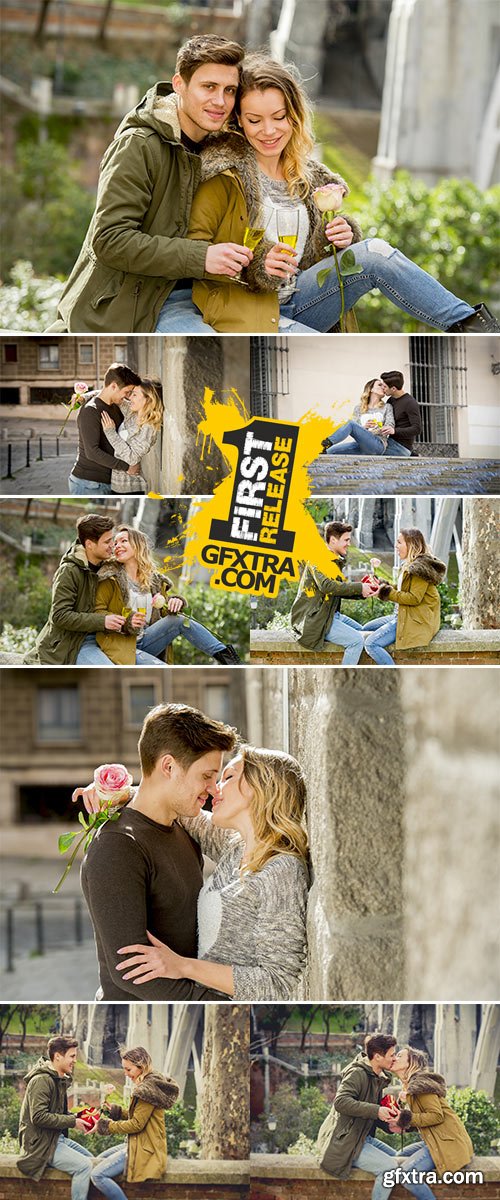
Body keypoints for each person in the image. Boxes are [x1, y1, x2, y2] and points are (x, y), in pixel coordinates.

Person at [178, 55, 499, 335]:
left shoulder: (309, 176)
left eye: (279, 117)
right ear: (239, 121)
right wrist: (258, 259)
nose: (269, 131)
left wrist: (334, 237)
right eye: (254, 120)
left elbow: (310, 259)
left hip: (302, 299)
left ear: (294, 115)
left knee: (374, 252)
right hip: (245, 311)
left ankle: (474, 328)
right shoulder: (222, 172)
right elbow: (196, 248)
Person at [76, 741, 309, 1001]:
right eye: (211, 777)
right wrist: (115, 792)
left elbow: (277, 983)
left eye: (227, 777)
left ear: (261, 788)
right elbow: (168, 803)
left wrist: (183, 966)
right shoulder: (235, 846)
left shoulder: (282, 870)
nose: (214, 788)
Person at [48, 35, 251, 333]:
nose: (220, 101)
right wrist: (202, 256)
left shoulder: (221, 150)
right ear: (179, 84)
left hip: (195, 302)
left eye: (229, 90)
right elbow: (110, 240)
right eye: (209, 87)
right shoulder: (138, 145)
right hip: (114, 318)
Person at [78, 702, 238, 1000]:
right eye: (206, 776)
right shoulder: (117, 847)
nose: (214, 788)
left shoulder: (183, 827)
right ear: (168, 766)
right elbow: (131, 974)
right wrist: (220, 1003)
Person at [80, 524, 240, 665]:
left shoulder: (154, 580)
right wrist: (127, 622)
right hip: (120, 643)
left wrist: (175, 602)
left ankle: (229, 659)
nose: (117, 546)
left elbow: (164, 611)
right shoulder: (109, 577)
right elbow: (98, 612)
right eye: (115, 543)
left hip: (147, 639)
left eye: (123, 541)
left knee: (180, 620)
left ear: (138, 545)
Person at [24, 513, 124, 666]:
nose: (113, 545)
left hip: (103, 640)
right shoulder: (69, 571)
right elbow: (59, 615)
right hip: (68, 647)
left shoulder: (107, 567)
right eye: (107, 541)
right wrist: (102, 621)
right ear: (89, 544)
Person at [316, 1034, 404, 1199]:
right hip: (345, 1142)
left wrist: (391, 1125)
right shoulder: (357, 1073)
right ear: (377, 1056)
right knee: (390, 1168)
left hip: (363, 1138)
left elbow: (372, 1113)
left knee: (400, 1159)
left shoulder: (377, 1077)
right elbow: (341, 1102)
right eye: (391, 1055)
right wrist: (377, 1110)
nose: (394, 1058)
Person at [91, 1047, 179, 1200]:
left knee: (97, 1175)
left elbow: (136, 1124)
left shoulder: (146, 1090)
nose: (125, 1073)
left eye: (128, 1069)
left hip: (144, 1146)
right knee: (100, 1158)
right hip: (140, 1142)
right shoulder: (151, 1082)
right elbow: (140, 1115)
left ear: (141, 1066)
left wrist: (106, 1126)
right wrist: (117, 1111)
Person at [388, 1045, 474, 1200]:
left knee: (408, 1174)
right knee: (399, 1155)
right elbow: (421, 1118)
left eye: (400, 1056)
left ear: (411, 1062)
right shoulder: (409, 1087)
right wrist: (401, 1123)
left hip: (446, 1142)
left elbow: (436, 1116)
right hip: (434, 1139)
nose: (395, 1058)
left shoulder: (421, 1085)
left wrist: (406, 1118)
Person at [291, 521, 380, 665]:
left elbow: (338, 589)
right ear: (333, 540)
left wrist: (364, 591)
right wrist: (359, 587)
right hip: (315, 619)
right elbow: (327, 586)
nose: (349, 544)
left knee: (362, 629)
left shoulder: (332, 560)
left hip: (330, 615)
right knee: (356, 641)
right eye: (346, 540)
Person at [17, 1036, 93, 1198]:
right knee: (84, 1166)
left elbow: (58, 1115)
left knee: (93, 1161)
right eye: (72, 1056)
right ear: (58, 1056)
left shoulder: (57, 1079)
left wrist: (81, 1118)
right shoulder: (42, 1080)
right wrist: (73, 1121)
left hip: (55, 1139)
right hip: (41, 1145)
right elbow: (38, 1117)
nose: (75, 1061)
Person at [363, 529, 446, 665]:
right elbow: (402, 589)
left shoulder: (419, 569)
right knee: (365, 628)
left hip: (413, 619)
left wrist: (387, 593)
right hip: (401, 615)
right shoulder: (407, 565)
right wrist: (381, 585)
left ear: (411, 545)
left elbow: (413, 598)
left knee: (371, 644)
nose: (395, 545)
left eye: (399, 542)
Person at [68, 363, 142, 495]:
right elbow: (92, 452)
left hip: (106, 482)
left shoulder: (115, 405)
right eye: (126, 392)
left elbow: (102, 393)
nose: (127, 396)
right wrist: (126, 467)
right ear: (113, 386)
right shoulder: (90, 411)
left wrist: (84, 395)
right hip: (88, 483)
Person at [99, 377, 164, 494]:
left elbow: (132, 458)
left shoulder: (149, 428)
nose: (130, 397)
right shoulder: (132, 413)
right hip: (115, 484)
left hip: (130, 488)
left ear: (148, 400)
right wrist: (84, 397)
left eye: (134, 395)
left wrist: (110, 433)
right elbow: (112, 396)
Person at [322, 379, 395, 455]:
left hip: (378, 445)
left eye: (384, 385)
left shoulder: (387, 407)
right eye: (379, 385)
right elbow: (355, 429)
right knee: (329, 451)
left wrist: (371, 430)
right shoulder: (358, 408)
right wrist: (364, 427)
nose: (383, 387)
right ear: (371, 389)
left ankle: (324, 443)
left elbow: (389, 426)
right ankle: (323, 447)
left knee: (351, 424)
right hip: (360, 445)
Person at [380, 372, 422, 457]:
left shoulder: (410, 403)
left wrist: (394, 431)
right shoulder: (390, 400)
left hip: (401, 447)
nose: (382, 388)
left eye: (385, 387)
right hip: (389, 442)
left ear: (393, 389)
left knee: (369, 451)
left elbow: (417, 429)